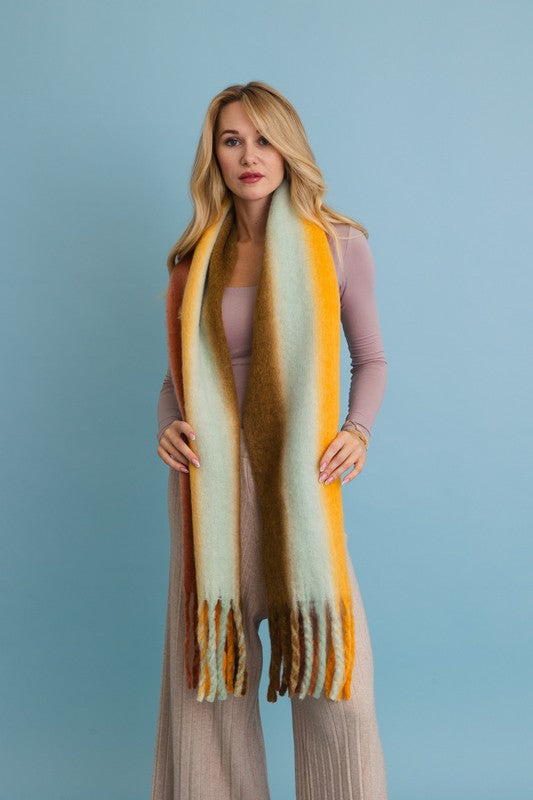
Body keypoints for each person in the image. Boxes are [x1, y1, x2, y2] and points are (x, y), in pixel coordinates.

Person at [151, 81, 388, 800]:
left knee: (338, 686)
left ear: (287, 150)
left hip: (299, 482)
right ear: (214, 156)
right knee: (209, 690)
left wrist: (357, 430)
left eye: (262, 140)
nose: (248, 156)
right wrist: (166, 424)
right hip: (209, 487)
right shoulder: (192, 262)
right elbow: (175, 381)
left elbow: (371, 359)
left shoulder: (337, 245)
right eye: (232, 141)